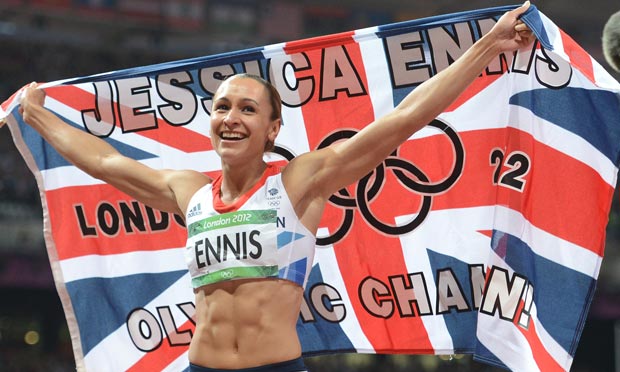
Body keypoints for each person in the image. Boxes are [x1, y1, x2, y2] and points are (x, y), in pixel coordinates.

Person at [18, 3, 534, 372]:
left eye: (248, 109)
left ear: (272, 130)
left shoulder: (299, 182)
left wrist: (489, 45)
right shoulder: (188, 191)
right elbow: (106, 160)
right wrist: (36, 115)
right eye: (222, 107)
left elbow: (403, 119)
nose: (231, 117)